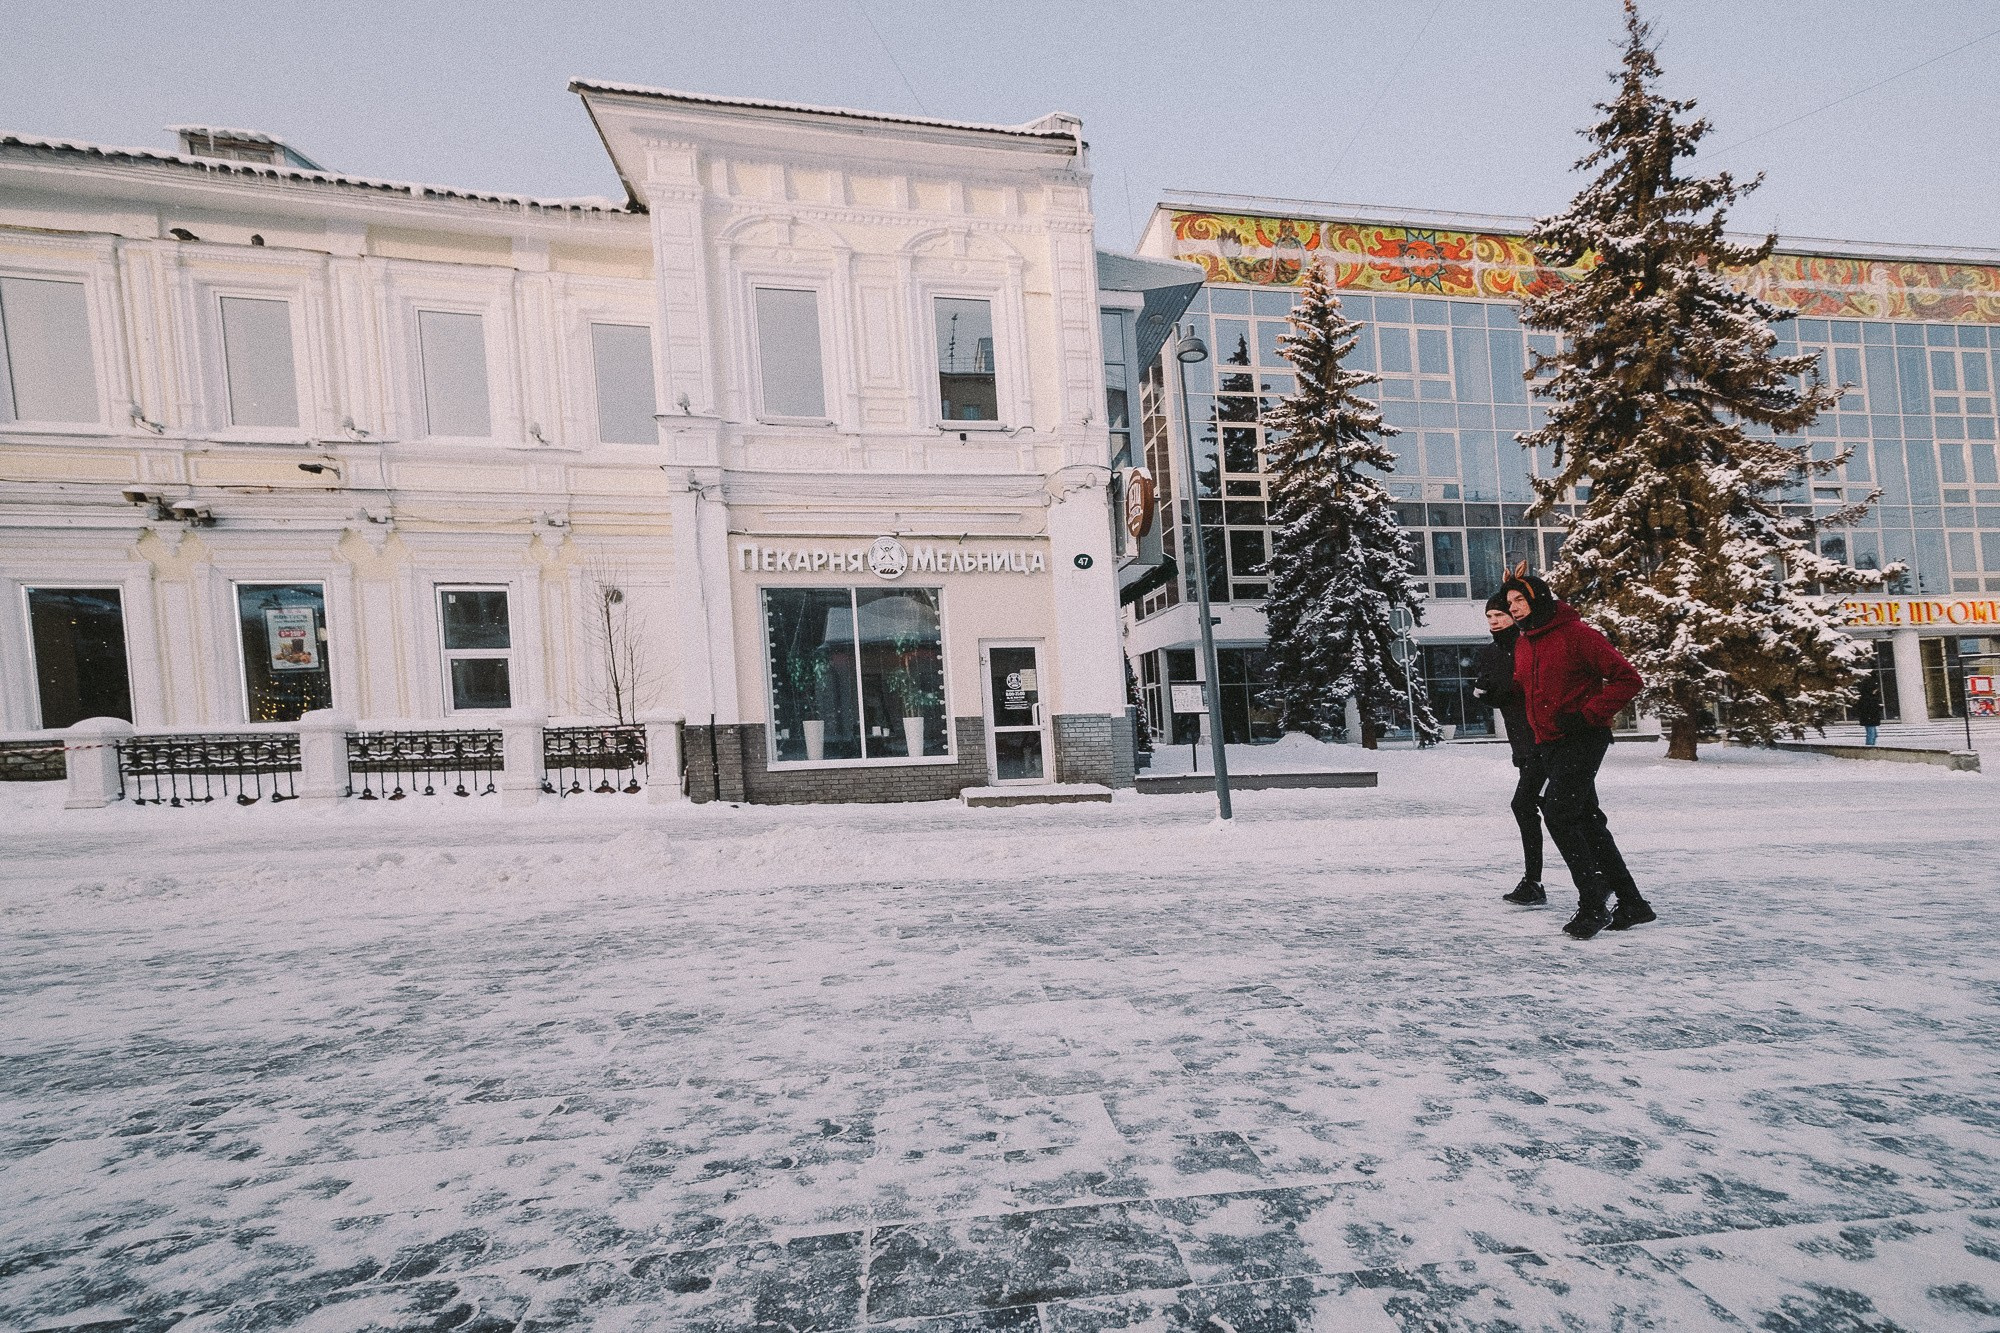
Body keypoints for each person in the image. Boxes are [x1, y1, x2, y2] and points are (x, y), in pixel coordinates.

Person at [1502, 566, 1654, 940]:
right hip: (1550, 742)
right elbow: (1532, 693)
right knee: (1587, 821)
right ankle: (1632, 902)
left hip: (1584, 737)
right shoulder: (1524, 642)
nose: (1515, 608)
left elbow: (1628, 679)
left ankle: (1592, 903)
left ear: (1538, 599)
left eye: (1520, 600)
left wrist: (1588, 714)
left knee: (1559, 812)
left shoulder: (1577, 635)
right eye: (1510, 603)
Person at [1472, 591, 1547, 906]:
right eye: (1489, 616)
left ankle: (1536, 882)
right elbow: (1494, 690)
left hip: (1544, 738)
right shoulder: (1490, 653)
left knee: (1528, 806)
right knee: (1564, 810)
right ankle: (1538, 883)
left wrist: (1500, 691)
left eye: (1499, 615)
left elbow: (1530, 688)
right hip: (1522, 741)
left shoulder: (1528, 645)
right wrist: (1485, 694)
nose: (1494, 621)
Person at [1856, 676, 1883, 747]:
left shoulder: (1869, 697)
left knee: (1873, 734)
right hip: (1869, 718)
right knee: (1871, 735)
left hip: (1870, 718)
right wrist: (1878, 708)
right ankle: (1869, 747)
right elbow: (1869, 708)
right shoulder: (1868, 698)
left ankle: (1870, 746)